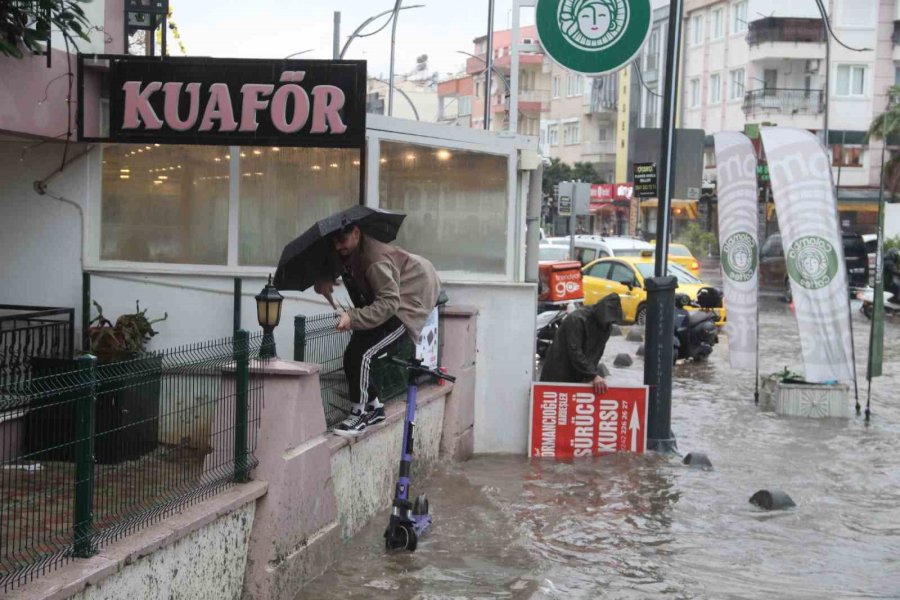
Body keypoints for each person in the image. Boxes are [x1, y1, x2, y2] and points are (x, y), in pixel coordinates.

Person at [314, 224, 440, 438]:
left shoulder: (374, 261)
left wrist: (353, 317)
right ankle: (374, 408)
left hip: (408, 302)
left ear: (356, 233)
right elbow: (337, 266)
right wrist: (323, 280)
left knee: (362, 353)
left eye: (342, 240)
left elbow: (390, 302)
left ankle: (359, 414)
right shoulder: (349, 251)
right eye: (334, 242)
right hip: (389, 299)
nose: (338, 247)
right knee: (353, 355)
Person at [539, 293, 623, 393]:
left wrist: (590, 375)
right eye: (607, 320)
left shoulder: (606, 327)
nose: (608, 323)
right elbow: (574, 351)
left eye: (611, 321)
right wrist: (592, 375)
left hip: (580, 375)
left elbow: (597, 353)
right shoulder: (577, 319)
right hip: (559, 372)